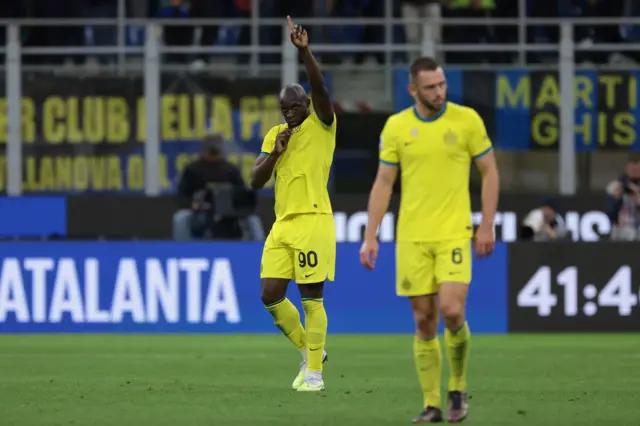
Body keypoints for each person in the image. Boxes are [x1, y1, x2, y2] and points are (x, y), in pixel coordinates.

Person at [359, 57, 499, 423]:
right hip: (412, 237)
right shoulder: (396, 126)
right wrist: (370, 235)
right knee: (424, 321)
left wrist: (487, 224)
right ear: (413, 90)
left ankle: (458, 385)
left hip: (454, 232)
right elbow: (384, 182)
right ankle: (432, 404)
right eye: (431, 87)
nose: (439, 91)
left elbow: (489, 171)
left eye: (442, 84)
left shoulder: (467, 120)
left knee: (452, 311)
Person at [249, 16, 336, 392]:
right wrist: (275, 154)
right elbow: (254, 179)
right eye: (284, 109)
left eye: (294, 107)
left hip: (313, 221)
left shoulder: (323, 124)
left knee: (311, 299)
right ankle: (311, 350)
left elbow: (319, 88)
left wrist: (305, 51)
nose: (289, 113)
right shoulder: (275, 135)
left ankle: (314, 374)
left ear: (306, 104)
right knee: (269, 294)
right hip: (282, 225)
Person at [173, 132, 245, 240]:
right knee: (180, 218)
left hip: (228, 215)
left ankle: (257, 251)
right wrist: (192, 204)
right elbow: (182, 195)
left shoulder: (230, 170)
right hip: (199, 213)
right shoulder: (192, 169)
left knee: (252, 220)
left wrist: (235, 206)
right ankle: (182, 251)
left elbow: (243, 194)